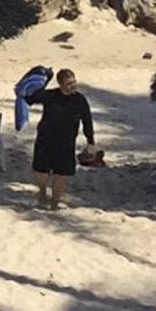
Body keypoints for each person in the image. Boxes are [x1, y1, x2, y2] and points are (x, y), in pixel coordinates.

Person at [25, 67, 95, 209]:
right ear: (61, 84)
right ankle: (43, 193)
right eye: (69, 83)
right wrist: (45, 81)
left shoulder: (80, 100)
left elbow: (87, 121)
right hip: (46, 138)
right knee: (41, 171)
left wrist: (91, 141)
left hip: (66, 141)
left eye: (74, 82)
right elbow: (30, 99)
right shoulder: (50, 95)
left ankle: (54, 204)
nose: (73, 85)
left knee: (61, 174)